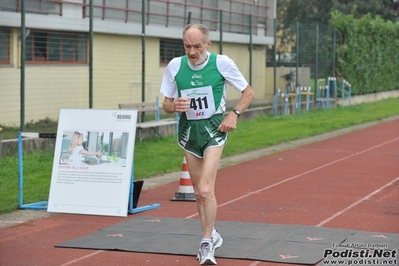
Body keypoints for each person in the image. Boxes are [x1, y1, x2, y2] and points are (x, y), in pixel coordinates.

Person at [160, 23, 254, 265]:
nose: (192, 52)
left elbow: (248, 93)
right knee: (199, 195)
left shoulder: (221, 63)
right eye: (187, 46)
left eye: (197, 46)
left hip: (214, 130)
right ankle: (212, 234)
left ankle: (205, 244)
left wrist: (233, 114)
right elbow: (166, 104)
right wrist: (175, 106)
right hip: (189, 133)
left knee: (204, 189)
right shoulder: (175, 66)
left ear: (207, 44)